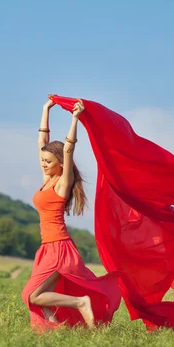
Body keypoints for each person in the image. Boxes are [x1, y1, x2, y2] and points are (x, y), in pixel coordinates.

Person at [21, 95, 121, 332]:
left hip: (59, 248)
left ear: (60, 164)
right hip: (47, 247)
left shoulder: (61, 184)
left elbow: (68, 150)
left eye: (48, 161)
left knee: (32, 295)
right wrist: (46, 109)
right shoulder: (47, 180)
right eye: (43, 161)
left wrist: (75, 119)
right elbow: (42, 142)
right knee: (39, 296)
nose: (43, 164)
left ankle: (80, 303)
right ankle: (57, 331)